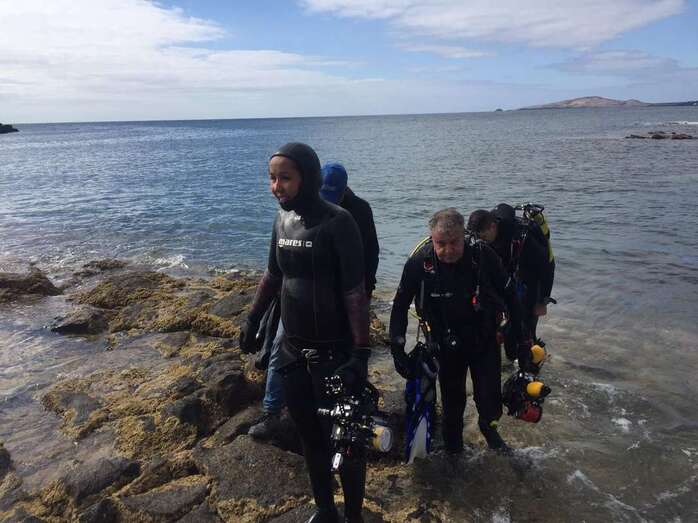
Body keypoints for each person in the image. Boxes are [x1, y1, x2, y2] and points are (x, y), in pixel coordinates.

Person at [239, 143, 370, 523]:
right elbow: (272, 274)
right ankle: (325, 508)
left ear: (308, 178)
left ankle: (355, 516)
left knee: (346, 440)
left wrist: (360, 354)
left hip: (335, 352)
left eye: (285, 178)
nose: (276, 186)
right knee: (308, 435)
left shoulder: (339, 222)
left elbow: (355, 292)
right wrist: (252, 318)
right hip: (294, 350)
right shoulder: (282, 220)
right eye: (272, 178)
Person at [248, 161, 380, 441]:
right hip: (298, 300)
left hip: (341, 297)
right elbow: (274, 270)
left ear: (344, 191)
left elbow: (371, 253)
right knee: (279, 347)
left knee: (348, 355)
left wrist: (363, 292)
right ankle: (272, 411)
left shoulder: (354, 213)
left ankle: (350, 411)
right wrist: (253, 318)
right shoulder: (290, 214)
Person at [389, 208, 525, 454]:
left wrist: (521, 339)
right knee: (452, 406)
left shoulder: (482, 255)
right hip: (445, 344)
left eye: (454, 243)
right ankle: (454, 457)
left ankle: (488, 430)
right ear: (432, 238)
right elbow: (399, 306)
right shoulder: (419, 263)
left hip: (483, 339)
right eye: (441, 244)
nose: (448, 250)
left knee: (490, 403)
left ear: (464, 236)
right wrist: (397, 349)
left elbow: (511, 297)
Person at [489, 203, 555, 346]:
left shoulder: (525, 238)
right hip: (509, 276)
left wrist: (542, 300)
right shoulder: (487, 236)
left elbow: (548, 266)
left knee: (527, 325)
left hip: (530, 277)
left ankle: (532, 350)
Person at [320, 163, 380, 299]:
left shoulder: (361, 209)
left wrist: (368, 286)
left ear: (344, 189)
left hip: (352, 281)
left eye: (333, 197)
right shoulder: (312, 205)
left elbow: (371, 251)